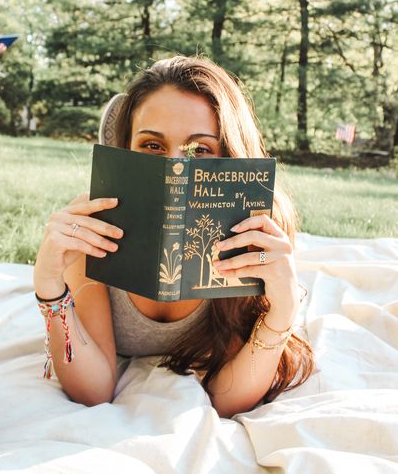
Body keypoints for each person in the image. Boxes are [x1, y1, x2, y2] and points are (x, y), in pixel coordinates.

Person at [33, 55, 314, 418]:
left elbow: (227, 398)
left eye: (200, 150)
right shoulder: (95, 228)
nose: (174, 168)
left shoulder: (251, 230)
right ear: (127, 150)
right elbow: (94, 390)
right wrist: (49, 285)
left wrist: (284, 309)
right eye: (152, 146)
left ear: (229, 154)